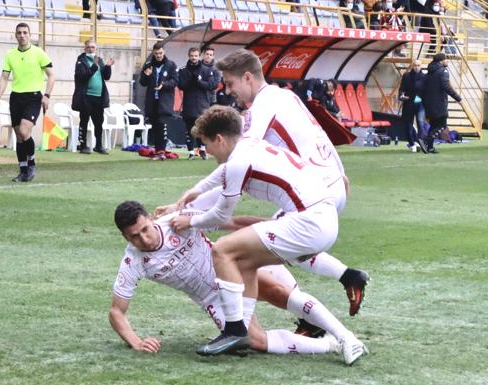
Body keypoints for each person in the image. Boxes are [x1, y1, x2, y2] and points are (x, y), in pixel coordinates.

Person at [168, 106, 368, 359]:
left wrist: (189, 221)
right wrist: (191, 195)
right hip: (320, 218)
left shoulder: (239, 161)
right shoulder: (249, 145)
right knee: (246, 261)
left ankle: (235, 330)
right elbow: (222, 174)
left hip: (308, 222)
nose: (206, 150)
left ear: (219, 139)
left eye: (206, 143)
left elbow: (221, 215)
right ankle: (344, 337)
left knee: (222, 250)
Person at [211, 49, 368, 317]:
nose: (228, 90)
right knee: (290, 249)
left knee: (252, 251)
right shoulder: (286, 95)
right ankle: (348, 278)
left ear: (247, 77)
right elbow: (316, 137)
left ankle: (303, 317)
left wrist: (203, 194)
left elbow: (246, 152)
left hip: (316, 189)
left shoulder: (263, 104)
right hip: (332, 182)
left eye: (230, 83)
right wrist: (340, 175)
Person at [110, 201, 365, 364]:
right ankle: (329, 345)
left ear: (150, 220)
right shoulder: (133, 261)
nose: (144, 239)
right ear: (125, 237)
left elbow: (231, 223)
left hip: (230, 269)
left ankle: (346, 337)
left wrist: (278, 226)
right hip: (210, 298)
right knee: (256, 342)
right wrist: (135, 341)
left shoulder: (179, 221)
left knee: (279, 291)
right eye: (135, 236)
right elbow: (116, 311)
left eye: (146, 229)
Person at [0, 23, 55, 182]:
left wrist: (46, 95)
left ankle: (32, 163)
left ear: (30, 35)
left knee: (25, 131)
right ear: (15, 35)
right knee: (19, 136)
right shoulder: (10, 54)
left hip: (33, 97)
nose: (22, 35)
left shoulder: (38, 53)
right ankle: (23, 170)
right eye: (19, 33)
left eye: (25, 32)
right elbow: (4, 77)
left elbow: (52, 75)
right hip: (16, 97)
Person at [72, 39, 113, 154]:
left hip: (99, 97)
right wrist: (94, 67)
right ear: (85, 48)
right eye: (88, 47)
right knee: (84, 121)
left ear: (96, 48)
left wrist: (108, 67)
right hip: (86, 96)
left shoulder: (99, 60)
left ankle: (98, 146)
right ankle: (83, 145)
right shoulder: (81, 61)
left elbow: (106, 77)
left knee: (99, 122)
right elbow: (81, 77)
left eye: (93, 47)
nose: (91, 49)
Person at [177, 47, 218, 160]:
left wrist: (199, 82)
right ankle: (191, 152)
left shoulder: (206, 70)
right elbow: (181, 85)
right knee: (190, 129)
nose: (194, 58)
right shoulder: (183, 70)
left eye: (196, 56)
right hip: (188, 104)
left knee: (202, 128)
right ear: (189, 56)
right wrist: (191, 81)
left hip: (202, 104)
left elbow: (211, 85)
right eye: (192, 56)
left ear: (199, 56)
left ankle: (203, 150)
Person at [139, 42, 177, 161]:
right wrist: (147, 75)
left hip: (164, 102)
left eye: (160, 53)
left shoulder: (171, 65)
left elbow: (175, 81)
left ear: (164, 52)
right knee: (155, 127)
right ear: (153, 53)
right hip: (152, 101)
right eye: (156, 53)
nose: (159, 55)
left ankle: (161, 152)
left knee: (162, 125)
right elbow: (142, 82)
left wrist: (164, 85)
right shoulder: (149, 65)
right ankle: (158, 151)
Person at [420, 52, 461, 154]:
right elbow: (446, 87)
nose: (447, 61)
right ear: (441, 61)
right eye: (446, 59)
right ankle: (426, 140)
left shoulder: (428, 72)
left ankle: (429, 147)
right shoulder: (443, 71)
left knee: (434, 126)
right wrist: (458, 98)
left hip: (428, 104)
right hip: (439, 104)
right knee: (442, 125)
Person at [399, 60, 426, 152]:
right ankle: (411, 143)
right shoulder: (406, 76)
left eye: (418, 65)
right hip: (408, 102)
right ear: (412, 66)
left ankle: (419, 140)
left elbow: (427, 91)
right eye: (415, 65)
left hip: (420, 103)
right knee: (408, 124)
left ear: (421, 66)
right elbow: (402, 88)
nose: (416, 67)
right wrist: (401, 96)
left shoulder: (424, 77)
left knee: (420, 123)